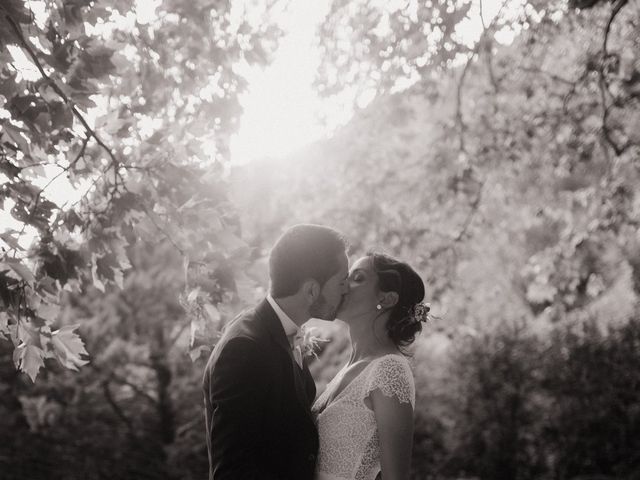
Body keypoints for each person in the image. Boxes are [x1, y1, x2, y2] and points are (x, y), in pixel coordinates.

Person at [203, 224, 349, 480]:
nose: (346, 290)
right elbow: (231, 470)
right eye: (341, 281)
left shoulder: (282, 330)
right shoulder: (245, 348)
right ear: (312, 290)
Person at [312, 252, 429, 480]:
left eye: (358, 278)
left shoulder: (389, 370)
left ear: (386, 299)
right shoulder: (349, 367)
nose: (345, 284)